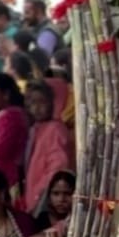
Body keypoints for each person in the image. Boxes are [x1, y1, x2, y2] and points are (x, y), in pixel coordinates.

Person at [23, 81, 73, 214]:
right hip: (35, 198)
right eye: (33, 103)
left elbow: (57, 167)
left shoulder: (55, 130)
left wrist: (39, 195)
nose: (36, 108)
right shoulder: (36, 129)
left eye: (42, 102)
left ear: (54, 103)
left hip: (45, 201)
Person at [0, 73, 29, 190]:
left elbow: (1, 150)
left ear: (6, 94)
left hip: (7, 177)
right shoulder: (3, 116)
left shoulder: (10, 117)